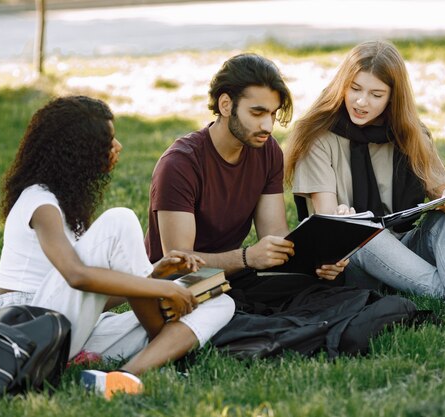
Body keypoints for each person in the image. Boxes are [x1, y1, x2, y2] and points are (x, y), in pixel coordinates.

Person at [284, 40, 445, 329]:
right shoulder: (318, 137)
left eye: (376, 94)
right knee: (363, 231)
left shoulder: (410, 133)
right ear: (341, 85)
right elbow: (329, 232)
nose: (361, 102)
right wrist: (344, 221)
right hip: (349, 262)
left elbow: (441, 189)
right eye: (354, 89)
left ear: (393, 98)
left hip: (400, 250)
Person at [0, 96, 235, 399]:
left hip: (70, 331)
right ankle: (167, 344)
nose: (118, 146)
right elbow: (76, 276)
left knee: (220, 303)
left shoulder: (66, 204)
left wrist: (156, 276)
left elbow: (88, 299)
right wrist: (162, 290)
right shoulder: (39, 202)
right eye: (107, 141)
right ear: (77, 152)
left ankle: (124, 377)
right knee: (120, 220)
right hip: (28, 329)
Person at [144, 53, 354, 310]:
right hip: (174, 286)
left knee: (324, 287)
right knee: (232, 308)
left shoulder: (268, 152)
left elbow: (274, 232)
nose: (268, 125)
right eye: (257, 113)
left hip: (230, 276)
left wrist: (319, 259)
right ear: (225, 105)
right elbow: (178, 262)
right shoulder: (179, 164)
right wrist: (247, 257)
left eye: (273, 114)